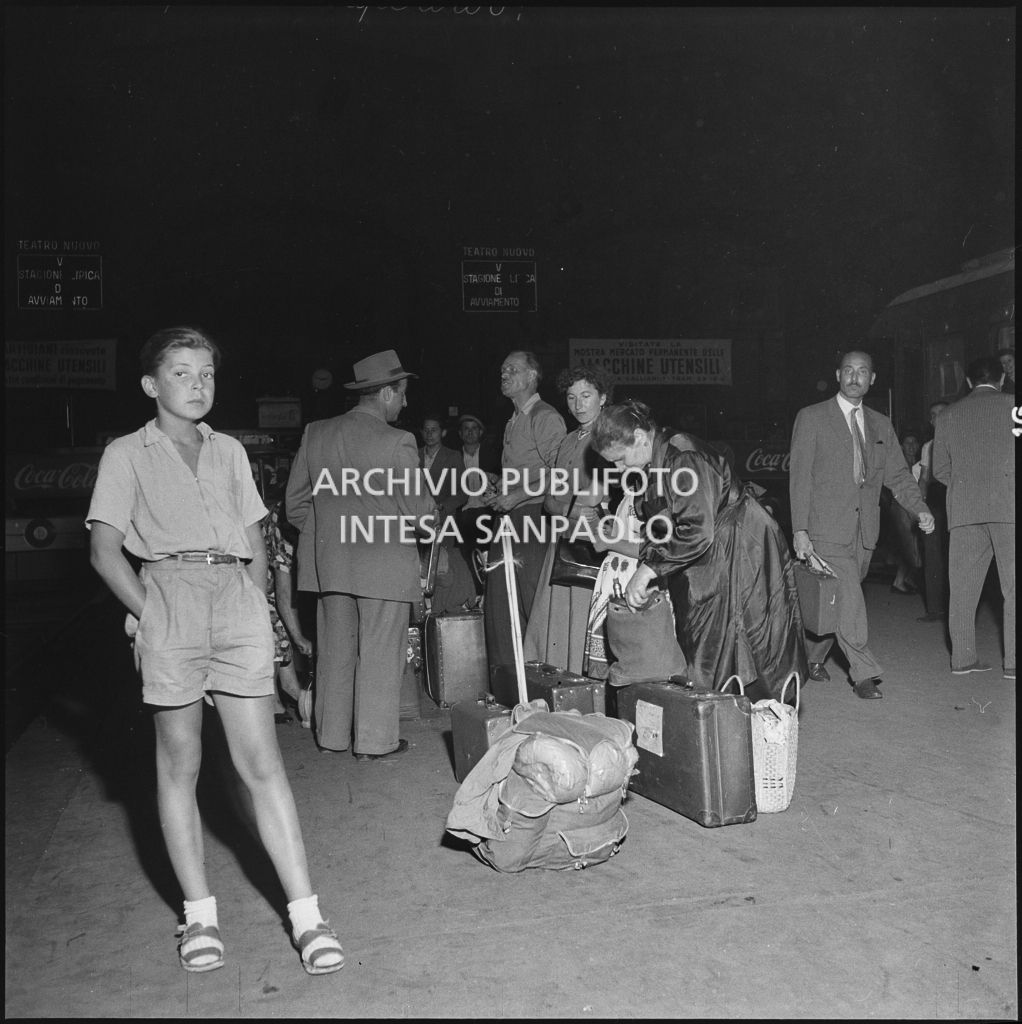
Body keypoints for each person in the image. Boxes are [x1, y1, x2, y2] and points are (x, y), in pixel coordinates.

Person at [86, 326, 343, 976]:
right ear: (152, 384)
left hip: (233, 596)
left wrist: (254, 608)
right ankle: (199, 914)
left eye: (206, 374)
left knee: (262, 765)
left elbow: (255, 539)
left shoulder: (229, 450)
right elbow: (103, 551)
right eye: (181, 372)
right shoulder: (126, 453)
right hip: (168, 591)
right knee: (180, 765)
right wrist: (154, 617)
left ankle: (308, 917)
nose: (198, 384)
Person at [590, 400, 808, 701]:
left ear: (640, 437)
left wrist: (648, 569)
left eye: (621, 459)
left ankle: (749, 720)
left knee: (738, 640)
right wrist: (651, 559)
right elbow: (661, 521)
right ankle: (719, 720)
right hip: (711, 549)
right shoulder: (655, 458)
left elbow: (694, 529)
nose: (618, 468)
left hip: (741, 544)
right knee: (705, 639)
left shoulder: (684, 457)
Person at [286, 349, 435, 757]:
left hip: (330, 566)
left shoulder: (316, 433)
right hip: (384, 566)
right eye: (402, 394)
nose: (405, 403)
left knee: (333, 651)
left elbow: (295, 504)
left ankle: (331, 736)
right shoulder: (399, 441)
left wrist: (329, 536)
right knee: (380, 653)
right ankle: (374, 741)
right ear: (386, 393)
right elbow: (419, 515)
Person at [788, 350, 935, 700]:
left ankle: (810, 659)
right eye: (849, 371)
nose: (855, 377)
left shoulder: (881, 424)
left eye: (863, 371)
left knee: (835, 601)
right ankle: (864, 673)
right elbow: (800, 477)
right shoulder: (811, 417)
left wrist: (920, 510)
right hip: (825, 529)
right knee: (851, 599)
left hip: (865, 531)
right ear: (838, 375)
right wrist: (800, 530)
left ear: (872, 379)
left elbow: (898, 476)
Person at [483, 351, 566, 686]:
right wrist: (502, 488)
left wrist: (517, 495)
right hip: (511, 520)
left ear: (532, 376)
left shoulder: (544, 417)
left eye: (512, 370)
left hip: (534, 521)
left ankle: (547, 685)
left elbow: (562, 474)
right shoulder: (513, 420)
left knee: (533, 606)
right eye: (502, 369)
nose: (504, 374)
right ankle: (508, 687)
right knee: (501, 606)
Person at [523, 366, 613, 673]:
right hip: (564, 539)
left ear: (603, 397)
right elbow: (550, 499)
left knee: (586, 621)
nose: (578, 404)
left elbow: (599, 497)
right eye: (572, 397)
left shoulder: (611, 434)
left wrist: (565, 503)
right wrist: (571, 507)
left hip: (596, 543)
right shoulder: (570, 439)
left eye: (586, 395)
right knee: (558, 623)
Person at [932, 356, 1015, 679]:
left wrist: (967, 486)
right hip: (1008, 509)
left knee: (963, 590)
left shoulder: (948, 415)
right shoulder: (1014, 407)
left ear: (968, 382)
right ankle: (1014, 663)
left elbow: (939, 470)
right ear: (1003, 378)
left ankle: (963, 660)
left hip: (964, 511)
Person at [263, 500, 314, 728]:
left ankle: (296, 693)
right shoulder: (285, 531)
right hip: (258, 586)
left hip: (271, 585)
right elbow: (283, 596)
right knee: (278, 635)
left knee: (282, 638)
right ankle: (273, 702)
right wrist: (300, 639)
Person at [417, 413, 474, 614]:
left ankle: (440, 613)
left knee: (441, 571)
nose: (430, 433)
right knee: (420, 571)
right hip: (417, 524)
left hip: (443, 523)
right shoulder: (413, 455)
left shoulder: (452, 456)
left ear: (442, 432)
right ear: (422, 432)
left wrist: (443, 507)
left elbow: (462, 493)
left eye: (434, 429)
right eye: (426, 429)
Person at [453, 412, 501, 591]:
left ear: (481, 432)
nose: (470, 433)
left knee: (487, 558)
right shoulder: (453, 456)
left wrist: (496, 480)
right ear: (460, 434)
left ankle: (487, 593)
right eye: (466, 429)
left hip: (486, 511)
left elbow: (505, 479)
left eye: (474, 429)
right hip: (462, 513)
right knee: (464, 559)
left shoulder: (493, 454)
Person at [916, 401, 950, 622]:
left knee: (953, 556)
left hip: (956, 501)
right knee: (933, 556)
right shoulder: (928, 446)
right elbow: (924, 478)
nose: (937, 418)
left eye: (941, 413)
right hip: (935, 503)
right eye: (933, 415)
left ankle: (955, 609)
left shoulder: (961, 440)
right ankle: (935, 608)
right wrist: (919, 506)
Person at [886, 431, 925, 596]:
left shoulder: (917, 463)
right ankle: (899, 581)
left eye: (914, 442)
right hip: (901, 507)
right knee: (908, 543)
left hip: (913, 507)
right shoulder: (899, 463)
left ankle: (906, 579)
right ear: (901, 446)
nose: (911, 446)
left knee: (913, 544)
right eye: (907, 442)